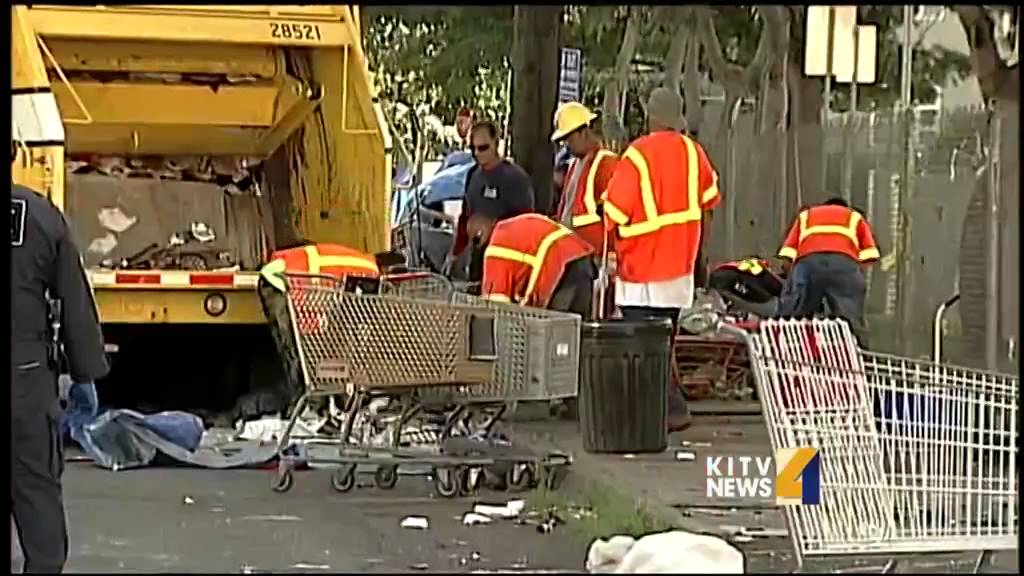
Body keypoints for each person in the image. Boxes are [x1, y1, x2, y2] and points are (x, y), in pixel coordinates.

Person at [13, 140, 110, 573]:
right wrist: (85, 374)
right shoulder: (39, 217)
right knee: (37, 495)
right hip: (26, 379)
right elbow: (73, 299)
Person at [602, 87, 721, 432]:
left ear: (651, 117)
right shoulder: (693, 152)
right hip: (678, 267)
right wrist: (700, 256)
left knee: (639, 342)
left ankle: (662, 409)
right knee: (663, 338)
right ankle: (664, 408)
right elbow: (707, 208)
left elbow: (615, 213)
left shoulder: (636, 155)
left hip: (641, 268)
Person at [255, 240, 382, 415]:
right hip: (281, 279)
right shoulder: (370, 273)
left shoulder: (363, 264)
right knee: (299, 349)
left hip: (281, 274)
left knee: (308, 348)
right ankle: (307, 405)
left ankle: (317, 403)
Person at [775, 197, 880, 346]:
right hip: (843, 265)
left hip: (808, 263)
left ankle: (780, 348)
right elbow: (870, 254)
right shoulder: (854, 217)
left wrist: (791, 279)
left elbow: (788, 254)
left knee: (793, 315)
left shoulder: (806, 215)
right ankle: (860, 355)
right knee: (852, 319)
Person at [444, 120, 536, 282]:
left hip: (504, 261)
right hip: (477, 260)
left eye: (483, 148)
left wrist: (493, 226)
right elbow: (465, 216)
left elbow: (527, 225)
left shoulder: (516, 179)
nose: (478, 153)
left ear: (496, 143)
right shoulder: (472, 175)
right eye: (473, 149)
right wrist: (454, 253)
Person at [468, 212, 597, 318]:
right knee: (577, 334)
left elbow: (496, 305)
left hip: (563, 270)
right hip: (581, 258)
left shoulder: (495, 249)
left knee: (557, 335)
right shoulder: (510, 228)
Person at [550, 101, 619, 256]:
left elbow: (614, 215)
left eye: (569, 138)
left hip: (594, 252)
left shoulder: (605, 163)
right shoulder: (575, 164)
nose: (566, 145)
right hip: (574, 250)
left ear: (584, 132)